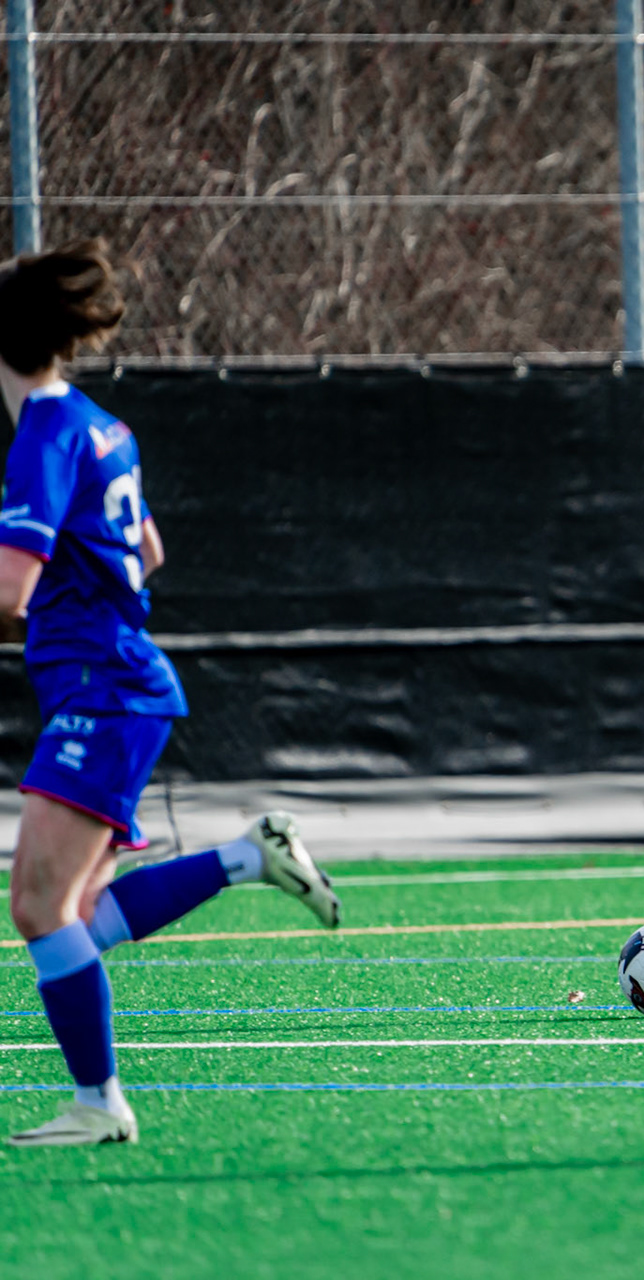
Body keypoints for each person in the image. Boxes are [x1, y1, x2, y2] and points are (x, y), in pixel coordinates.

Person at [0, 239, 342, 1147]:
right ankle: (246, 859)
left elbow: (8, 597)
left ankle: (98, 1102)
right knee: (71, 917)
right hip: (123, 682)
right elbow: (147, 551)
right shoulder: (108, 428)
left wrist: (49, 598)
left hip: (101, 689)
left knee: (36, 909)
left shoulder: (43, 431)